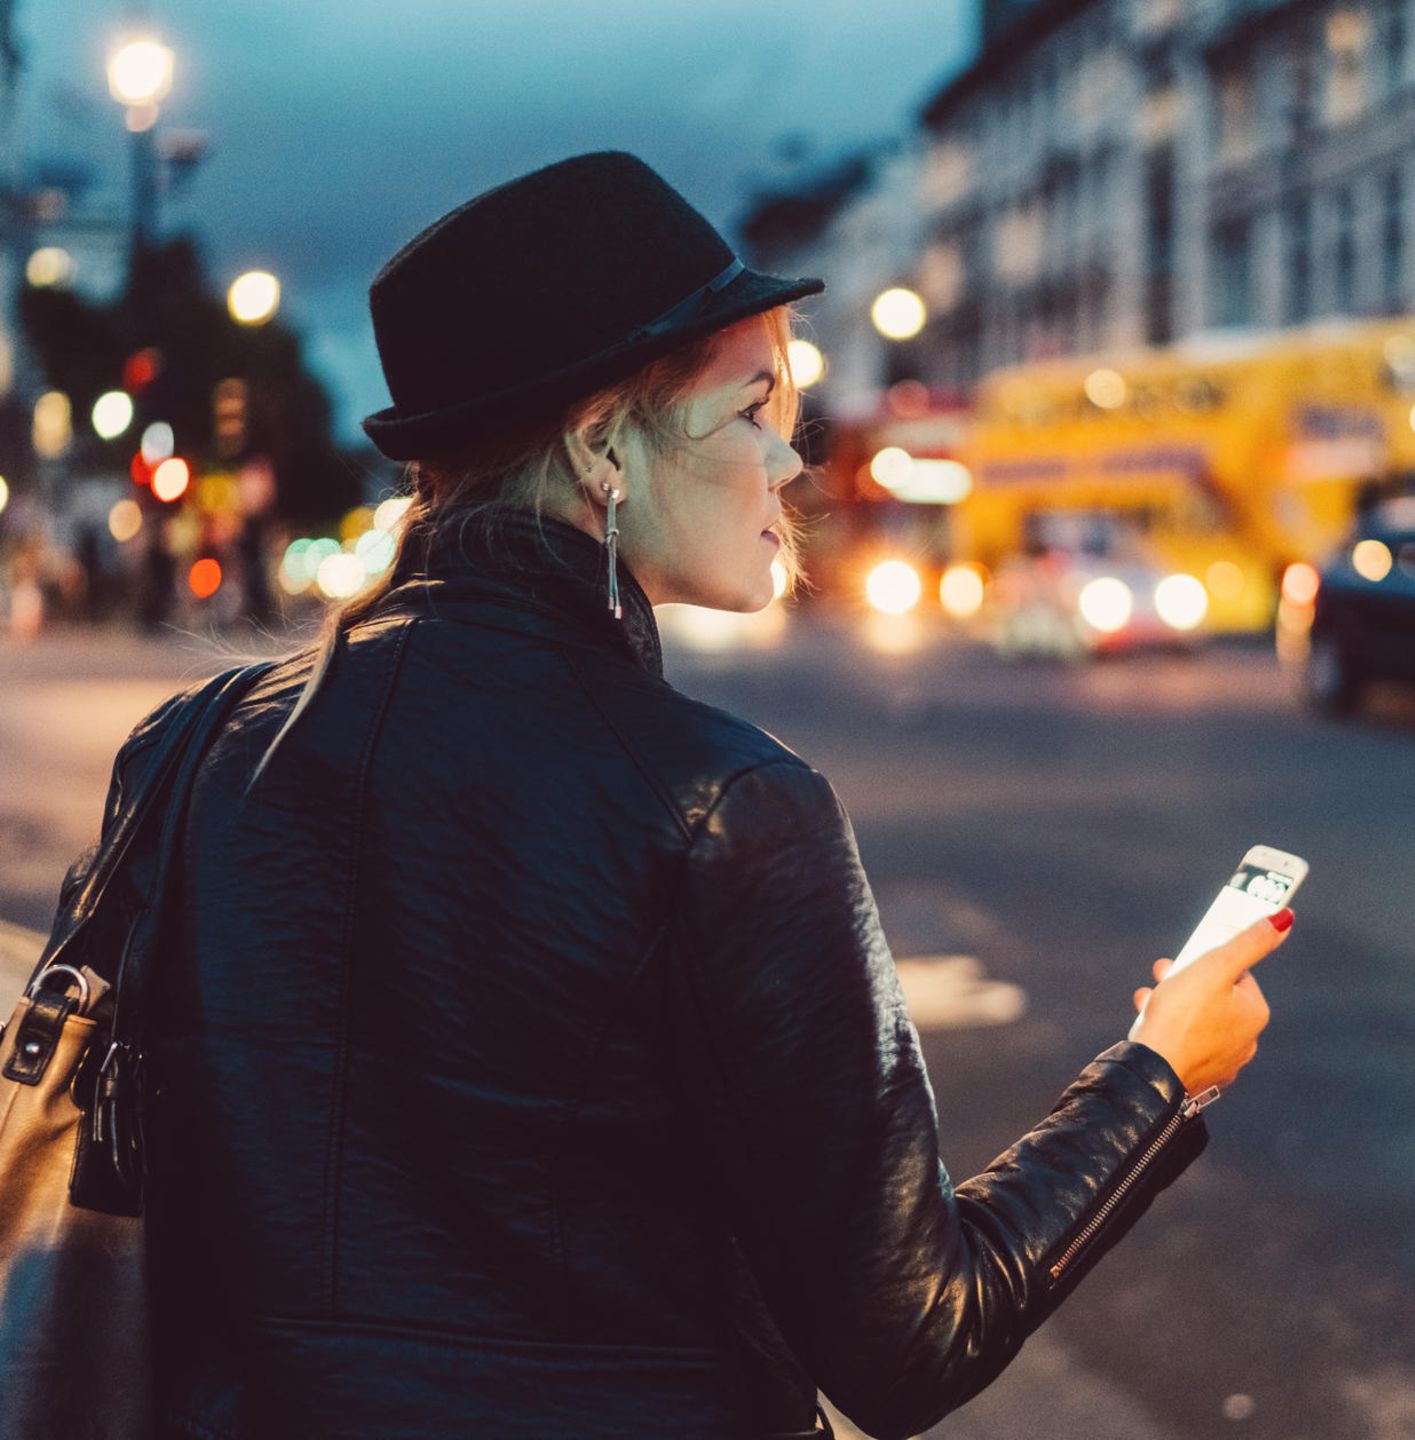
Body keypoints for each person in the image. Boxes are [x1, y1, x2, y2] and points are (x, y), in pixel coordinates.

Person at [129, 152, 1284, 1440]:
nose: (791, 458)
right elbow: (913, 1341)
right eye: (750, 409)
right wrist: (1158, 1076)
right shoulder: (724, 804)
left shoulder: (189, 752)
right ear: (602, 444)